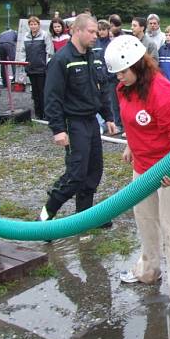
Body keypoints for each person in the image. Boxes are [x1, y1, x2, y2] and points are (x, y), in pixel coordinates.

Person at [106, 35, 170, 309]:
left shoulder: (163, 93)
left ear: (139, 65)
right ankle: (148, 271)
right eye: (116, 73)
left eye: (123, 71)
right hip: (143, 167)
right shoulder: (126, 89)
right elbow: (133, 122)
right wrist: (131, 147)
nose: (119, 77)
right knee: (145, 221)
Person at [40, 14, 117, 222]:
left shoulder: (92, 56)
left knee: (94, 171)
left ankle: (83, 218)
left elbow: (100, 89)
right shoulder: (62, 59)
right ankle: (45, 217)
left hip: (91, 121)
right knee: (76, 173)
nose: (95, 36)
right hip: (72, 122)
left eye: (96, 32)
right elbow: (52, 97)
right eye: (91, 32)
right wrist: (58, 129)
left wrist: (108, 116)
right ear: (77, 31)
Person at [16, 15, 54, 120]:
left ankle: (46, 113)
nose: (33, 26)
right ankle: (38, 113)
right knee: (35, 93)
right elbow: (23, 51)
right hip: (30, 68)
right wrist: (23, 63)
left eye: (35, 24)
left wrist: (47, 64)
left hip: (42, 68)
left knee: (43, 91)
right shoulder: (26, 36)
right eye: (31, 24)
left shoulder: (45, 35)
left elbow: (49, 51)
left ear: (38, 25)